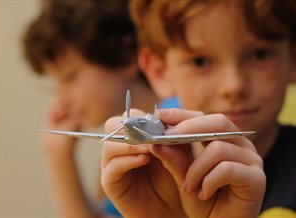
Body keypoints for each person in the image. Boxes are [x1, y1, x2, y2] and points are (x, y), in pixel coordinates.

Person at [101, 0, 296, 217]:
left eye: (260, 54)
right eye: (201, 61)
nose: (233, 85)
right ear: (159, 71)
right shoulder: (142, 176)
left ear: (292, 59)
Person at [22, 0, 163, 217]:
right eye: (56, 85)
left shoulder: (163, 131)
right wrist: (58, 156)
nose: (62, 100)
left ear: (124, 57)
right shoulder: (124, 138)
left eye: (70, 78)